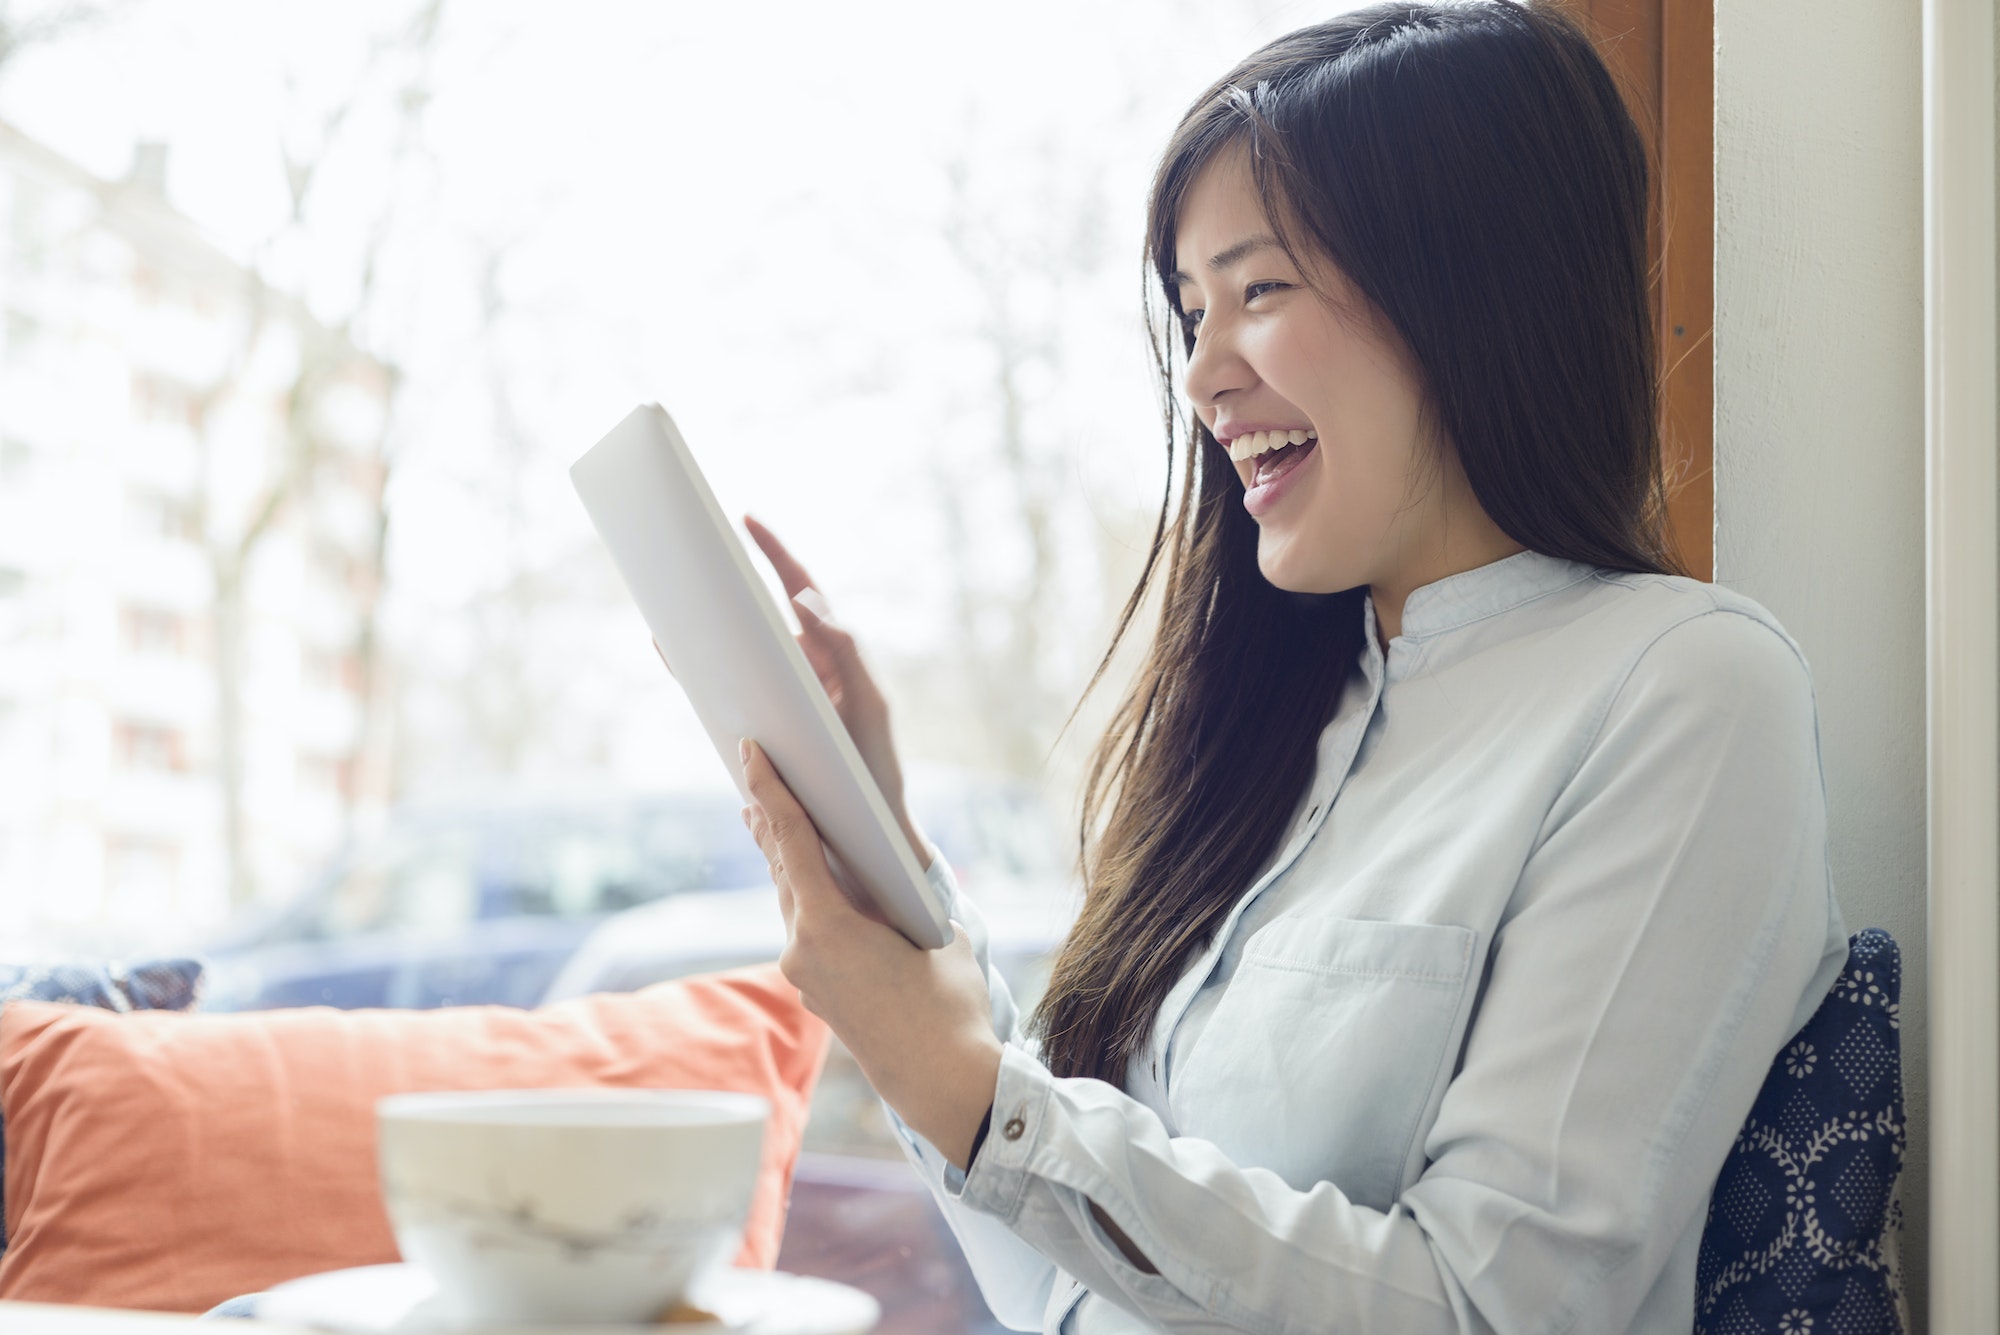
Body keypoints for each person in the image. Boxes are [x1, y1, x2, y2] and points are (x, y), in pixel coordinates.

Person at [732, 2, 1848, 1330]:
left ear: (1474, 288)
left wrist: (983, 1097)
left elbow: (1495, 1309)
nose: (1203, 373)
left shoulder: (1686, 692)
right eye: (1192, 309)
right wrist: (887, 876)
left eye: (1258, 291)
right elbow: (1065, 1299)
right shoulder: (1267, 729)